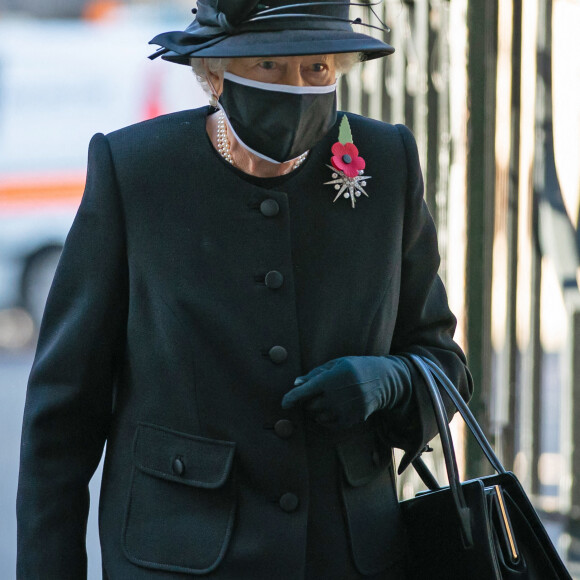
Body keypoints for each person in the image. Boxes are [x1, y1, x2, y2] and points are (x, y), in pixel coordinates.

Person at [16, 1, 473, 578]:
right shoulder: (136, 171)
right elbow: (64, 414)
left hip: (347, 555)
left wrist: (390, 381)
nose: (298, 86)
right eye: (268, 66)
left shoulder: (385, 163)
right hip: (175, 554)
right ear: (215, 75)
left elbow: (443, 366)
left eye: (317, 70)